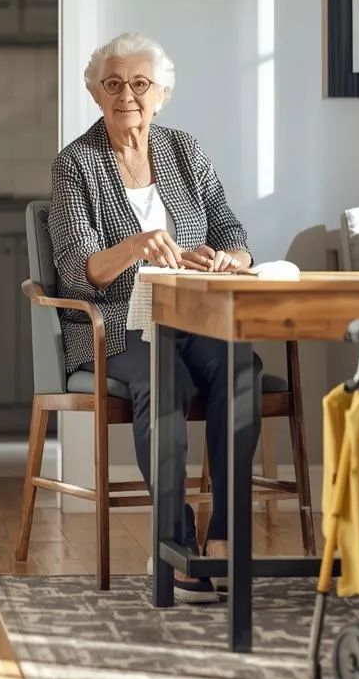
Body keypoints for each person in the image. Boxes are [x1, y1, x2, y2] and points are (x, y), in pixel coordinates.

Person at [47, 32, 261, 603]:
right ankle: (174, 545)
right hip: (115, 326)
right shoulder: (76, 164)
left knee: (242, 367)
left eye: (140, 83)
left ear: (162, 93)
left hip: (191, 315)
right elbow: (77, 272)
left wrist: (229, 257)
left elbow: (233, 232)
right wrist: (136, 246)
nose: (127, 96)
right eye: (113, 84)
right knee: (167, 378)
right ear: (95, 93)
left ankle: (224, 539)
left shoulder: (184, 150)